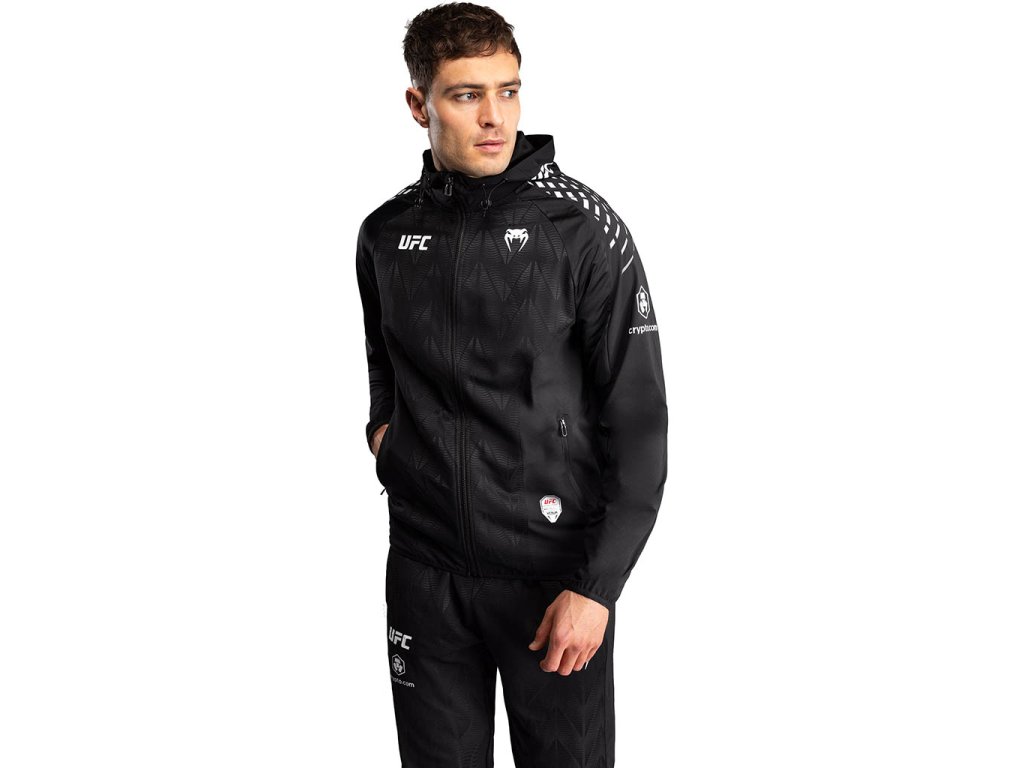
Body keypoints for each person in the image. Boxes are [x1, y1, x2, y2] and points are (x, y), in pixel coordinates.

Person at [355, 3, 668, 765]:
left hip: (552, 577)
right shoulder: (385, 233)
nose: (494, 116)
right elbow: (383, 365)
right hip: (425, 572)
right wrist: (386, 437)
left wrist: (596, 589)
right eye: (467, 95)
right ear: (419, 104)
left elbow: (639, 423)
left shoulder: (581, 229)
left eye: (508, 90)